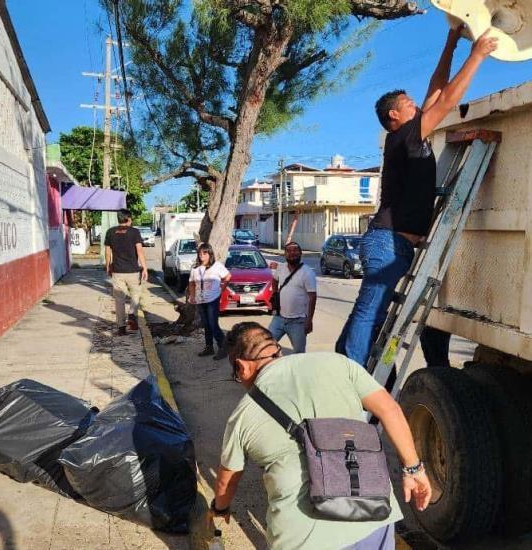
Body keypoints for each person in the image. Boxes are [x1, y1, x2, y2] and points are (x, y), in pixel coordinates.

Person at [336, 27, 498, 368]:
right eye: (408, 103)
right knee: (370, 313)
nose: (416, 104)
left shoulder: (408, 136)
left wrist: (452, 42)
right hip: (388, 242)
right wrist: (477, 55)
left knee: (368, 312)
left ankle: (344, 358)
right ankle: (349, 375)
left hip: (391, 242)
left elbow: (436, 90)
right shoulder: (405, 136)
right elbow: (448, 99)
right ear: (394, 115)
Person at [211, 322, 432, 550]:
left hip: (303, 538)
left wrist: (219, 509)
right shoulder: (338, 363)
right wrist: (413, 469)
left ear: (241, 367)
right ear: (276, 348)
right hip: (372, 514)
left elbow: (227, 480)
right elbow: (390, 410)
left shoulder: (243, 414)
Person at [105, 209, 148, 336]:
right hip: (133, 271)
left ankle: (121, 327)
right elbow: (139, 251)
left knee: (119, 300)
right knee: (135, 295)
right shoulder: (134, 232)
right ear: (128, 219)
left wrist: (108, 266)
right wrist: (145, 268)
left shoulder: (110, 232)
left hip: (117, 271)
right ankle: (132, 314)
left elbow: (108, 252)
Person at [268, 242, 316, 354]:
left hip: (298, 321)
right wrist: (275, 293)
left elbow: (312, 297)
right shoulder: (281, 267)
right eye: (289, 251)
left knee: (299, 353)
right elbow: (274, 279)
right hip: (279, 319)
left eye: (295, 250)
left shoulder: (307, 272)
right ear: (285, 254)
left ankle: (299, 371)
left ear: (300, 253)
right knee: (267, 345)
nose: (292, 253)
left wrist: (309, 320)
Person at [188, 243, 231, 360]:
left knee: (213, 324)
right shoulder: (195, 268)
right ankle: (209, 347)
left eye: (205, 253)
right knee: (206, 324)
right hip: (200, 300)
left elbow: (228, 277)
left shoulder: (217, 266)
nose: (202, 255)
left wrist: (222, 288)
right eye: (200, 253)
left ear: (209, 254)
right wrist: (192, 296)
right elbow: (191, 283)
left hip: (212, 299)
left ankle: (223, 347)